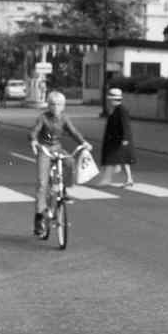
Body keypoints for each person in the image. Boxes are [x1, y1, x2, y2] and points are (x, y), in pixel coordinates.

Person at [29, 89, 91, 239]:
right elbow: (34, 131)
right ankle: (38, 218)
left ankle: (64, 190)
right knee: (42, 183)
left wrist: (83, 143)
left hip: (57, 148)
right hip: (44, 149)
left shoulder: (64, 118)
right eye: (52, 104)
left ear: (63, 106)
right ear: (48, 106)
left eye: (59, 104)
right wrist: (34, 141)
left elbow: (73, 132)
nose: (56, 107)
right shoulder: (43, 118)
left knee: (70, 161)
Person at [100, 87, 136, 188]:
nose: (108, 101)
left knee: (114, 159)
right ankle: (128, 179)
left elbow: (125, 125)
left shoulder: (121, 110)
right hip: (116, 140)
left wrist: (125, 139)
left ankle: (108, 179)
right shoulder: (116, 110)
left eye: (110, 99)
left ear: (113, 99)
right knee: (122, 160)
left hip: (120, 140)